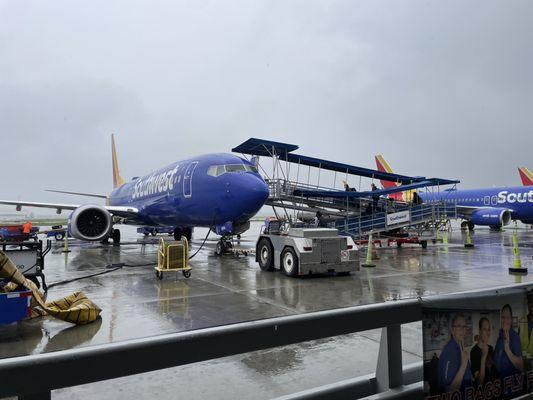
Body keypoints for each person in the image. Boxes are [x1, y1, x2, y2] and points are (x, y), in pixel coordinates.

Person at [438, 313, 473, 394]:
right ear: (452, 330)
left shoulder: (461, 347)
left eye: (464, 327)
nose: (462, 330)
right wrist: (463, 365)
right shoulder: (449, 352)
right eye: (459, 326)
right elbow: (449, 391)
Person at [494, 304, 524, 395]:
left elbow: (521, 366)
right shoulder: (499, 338)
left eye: (507, 317)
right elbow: (497, 363)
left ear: (511, 319)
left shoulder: (515, 337)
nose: (505, 320)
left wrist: (508, 350)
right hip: (501, 387)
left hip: (513, 389)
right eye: (503, 317)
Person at [470, 317, 497, 387]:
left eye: (489, 330)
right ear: (479, 331)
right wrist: (484, 356)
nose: (488, 333)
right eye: (485, 329)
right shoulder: (474, 351)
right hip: (482, 394)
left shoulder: (491, 348)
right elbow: (479, 382)